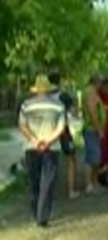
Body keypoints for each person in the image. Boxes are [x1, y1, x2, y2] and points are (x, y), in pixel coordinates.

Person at [18, 75, 66, 227]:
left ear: (36, 89)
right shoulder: (58, 105)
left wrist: (34, 140)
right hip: (51, 148)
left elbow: (22, 125)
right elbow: (61, 127)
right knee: (48, 182)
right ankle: (42, 217)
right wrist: (48, 141)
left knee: (34, 181)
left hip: (31, 148)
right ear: (49, 89)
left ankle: (35, 212)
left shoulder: (26, 105)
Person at [47, 70, 80, 199]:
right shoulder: (64, 96)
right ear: (59, 81)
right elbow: (75, 113)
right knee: (71, 158)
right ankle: (70, 191)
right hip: (62, 129)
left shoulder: (44, 95)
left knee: (48, 160)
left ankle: (47, 191)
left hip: (47, 129)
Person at [82, 74, 105, 194]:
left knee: (94, 157)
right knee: (93, 158)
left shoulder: (91, 92)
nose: (101, 85)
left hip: (92, 129)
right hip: (92, 129)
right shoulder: (90, 92)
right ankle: (89, 185)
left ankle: (94, 183)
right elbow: (92, 112)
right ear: (96, 82)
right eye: (101, 83)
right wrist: (98, 129)